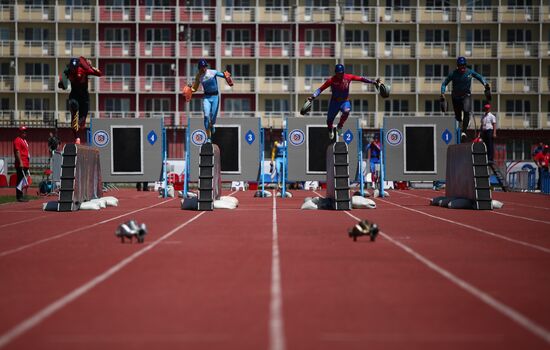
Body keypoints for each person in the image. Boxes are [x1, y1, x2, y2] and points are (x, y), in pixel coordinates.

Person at [308, 64, 381, 139]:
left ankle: (339, 126)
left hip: (344, 101)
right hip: (334, 102)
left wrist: (373, 82)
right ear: (335, 73)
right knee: (329, 120)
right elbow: (320, 89)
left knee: (347, 111)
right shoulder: (331, 80)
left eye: (341, 73)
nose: (340, 75)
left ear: (343, 72)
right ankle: (330, 130)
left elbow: (361, 79)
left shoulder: (348, 77)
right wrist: (313, 96)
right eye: (338, 73)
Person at [440, 56, 490, 140]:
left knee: (466, 112)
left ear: (466, 65)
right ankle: (460, 124)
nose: (462, 67)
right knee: (458, 116)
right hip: (456, 97)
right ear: (457, 66)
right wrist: (442, 92)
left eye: (464, 65)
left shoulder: (469, 72)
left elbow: (479, 77)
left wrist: (485, 84)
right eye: (460, 65)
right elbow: (444, 83)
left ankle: (464, 132)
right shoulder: (453, 74)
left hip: (466, 95)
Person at [58, 56, 102, 143]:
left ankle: (82, 122)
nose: (73, 71)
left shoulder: (85, 70)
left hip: (84, 97)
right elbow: (62, 83)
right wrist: (61, 84)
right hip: (74, 95)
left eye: (75, 69)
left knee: (81, 122)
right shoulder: (68, 71)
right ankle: (77, 138)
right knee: (74, 110)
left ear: (78, 67)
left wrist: (90, 66)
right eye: (72, 69)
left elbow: (100, 73)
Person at [189, 59, 233, 141]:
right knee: (206, 116)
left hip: (215, 97)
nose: (204, 68)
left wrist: (227, 76)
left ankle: (212, 125)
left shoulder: (212, 72)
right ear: (199, 68)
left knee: (212, 118)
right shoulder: (198, 76)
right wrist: (190, 89)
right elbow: (195, 88)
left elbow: (224, 75)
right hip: (206, 97)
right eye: (202, 67)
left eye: (205, 66)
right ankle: (208, 138)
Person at [13, 126, 30, 202]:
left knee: (23, 180)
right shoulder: (17, 140)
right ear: (20, 132)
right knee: (20, 180)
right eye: (23, 131)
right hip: (21, 163)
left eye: (25, 131)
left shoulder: (24, 140)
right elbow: (17, 152)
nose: (25, 133)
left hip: (26, 163)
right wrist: (20, 162)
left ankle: (22, 195)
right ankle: (19, 196)